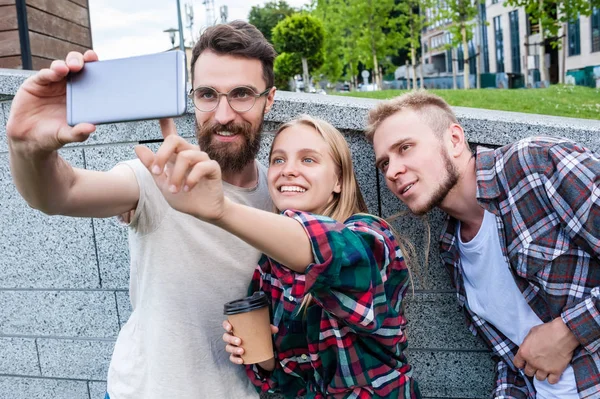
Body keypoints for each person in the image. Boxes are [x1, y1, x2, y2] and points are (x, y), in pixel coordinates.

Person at [6, 21, 277, 399]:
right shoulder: (156, 177)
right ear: (191, 98)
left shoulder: (282, 194)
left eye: (243, 94)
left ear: (270, 99)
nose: (224, 114)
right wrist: (26, 147)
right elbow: (58, 194)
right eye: (207, 94)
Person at [134, 115, 421, 398]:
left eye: (308, 160)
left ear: (339, 180)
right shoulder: (268, 270)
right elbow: (284, 385)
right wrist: (264, 357)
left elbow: (327, 251)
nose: (288, 170)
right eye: (278, 160)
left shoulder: (371, 237)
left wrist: (222, 209)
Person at [365, 90, 600, 399]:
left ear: (455, 139)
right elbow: (513, 359)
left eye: (405, 147)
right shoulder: (452, 250)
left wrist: (569, 331)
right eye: (384, 164)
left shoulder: (534, 165)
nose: (393, 172)